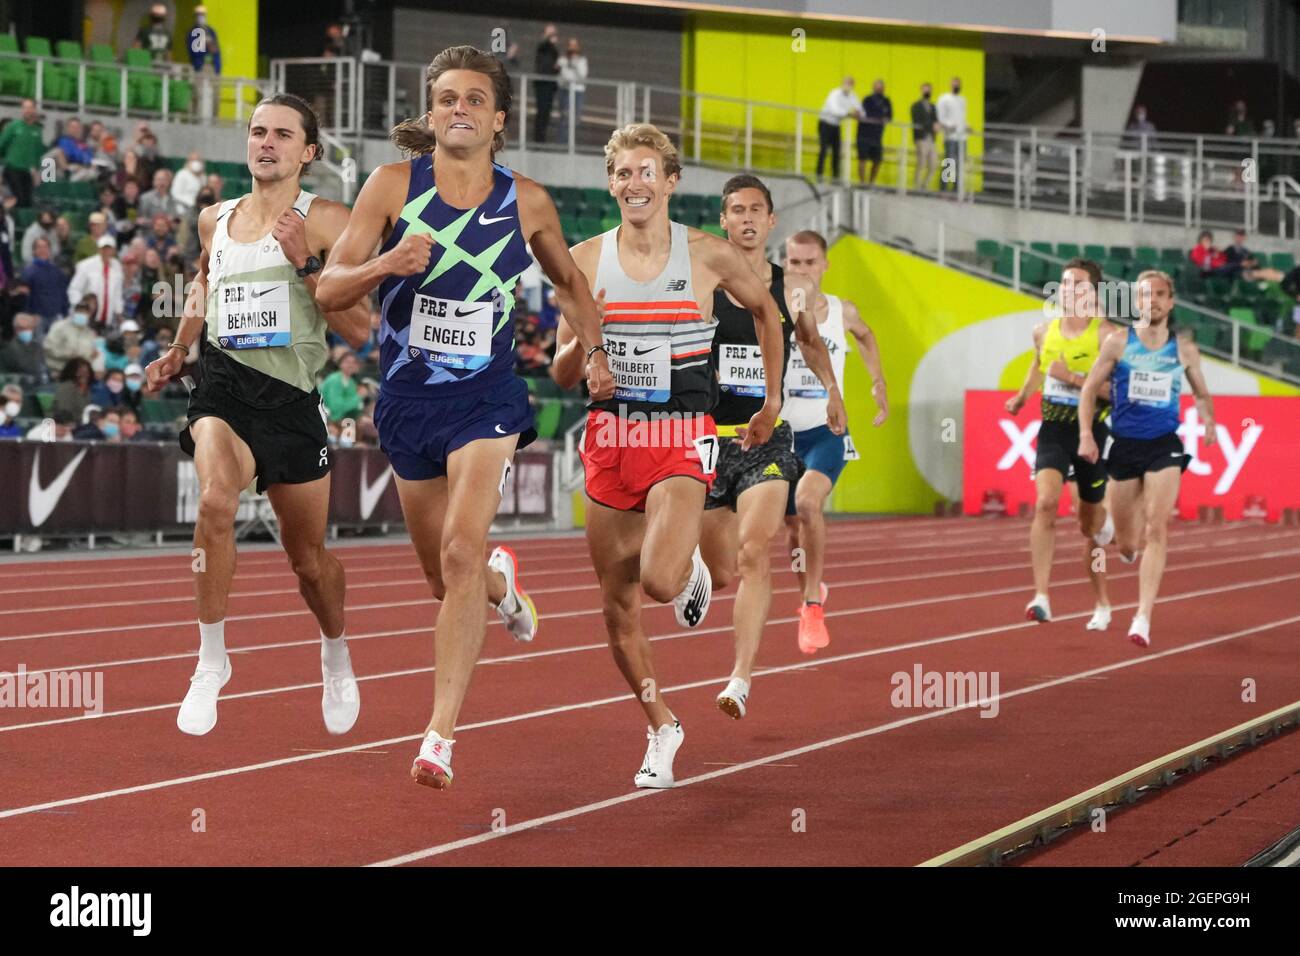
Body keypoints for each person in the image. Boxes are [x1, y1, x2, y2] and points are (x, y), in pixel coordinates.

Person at [315, 45, 614, 790]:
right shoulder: (390, 187)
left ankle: (440, 734)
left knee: (458, 551)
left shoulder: (528, 201)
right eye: (446, 97)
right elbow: (327, 289)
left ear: (498, 119)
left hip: (487, 399)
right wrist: (386, 265)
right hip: (409, 403)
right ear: (431, 110)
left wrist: (598, 353)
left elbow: (572, 282)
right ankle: (501, 587)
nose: (458, 109)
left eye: (473, 99)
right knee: (443, 574)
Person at [551, 123, 784, 787]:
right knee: (616, 605)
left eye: (646, 172)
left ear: (671, 182)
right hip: (611, 440)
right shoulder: (585, 260)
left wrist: (768, 401)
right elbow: (564, 372)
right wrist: (589, 350)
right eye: (623, 173)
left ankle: (687, 574)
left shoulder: (706, 255)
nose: (634, 184)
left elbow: (767, 313)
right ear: (611, 183)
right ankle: (662, 728)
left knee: (656, 578)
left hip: (681, 433)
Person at [143, 92, 370, 738]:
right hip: (222, 388)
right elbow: (203, 286)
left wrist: (305, 262)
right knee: (216, 501)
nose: (265, 143)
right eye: (257, 131)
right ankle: (211, 661)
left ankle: (335, 652)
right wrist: (180, 347)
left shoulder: (328, 219)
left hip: (292, 403)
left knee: (311, 565)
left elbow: (358, 327)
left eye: (281, 134)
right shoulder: (215, 219)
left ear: (309, 152)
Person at [699, 174, 843, 720]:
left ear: (771, 219)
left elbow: (808, 342)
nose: (747, 218)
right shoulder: (702, 281)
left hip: (768, 437)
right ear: (724, 220)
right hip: (708, 437)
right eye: (736, 210)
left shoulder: (793, 288)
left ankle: (739, 678)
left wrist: (833, 391)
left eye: (756, 209)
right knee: (719, 573)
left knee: (756, 550)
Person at [1078, 270, 1216, 647]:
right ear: (1136, 302)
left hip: (1164, 444)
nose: (1152, 300)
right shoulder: (1118, 343)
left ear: (1170, 302)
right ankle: (1120, 538)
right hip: (1124, 446)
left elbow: (1201, 393)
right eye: (1145, 295)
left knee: (1158, 527)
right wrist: (1087, 434)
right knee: (1127, 545)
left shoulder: (1184, 349)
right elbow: (1089, 389)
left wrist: (1209, 423)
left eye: (1159, 294)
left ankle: (1142, 617)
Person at [782, 229, 888, 653]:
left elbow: (865, 336)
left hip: (828, 431)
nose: (802, 270)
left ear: (825, 265)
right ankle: (812, 587)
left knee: (809, 503)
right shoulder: (773, 308)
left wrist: (877, 382)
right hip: (781, 435)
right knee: (791, 526)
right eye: (794, 263)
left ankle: (812, 606)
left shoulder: (841, 311)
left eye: (810, 262)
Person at [1006, 259, 1122, 629]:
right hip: (1054, 428)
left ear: (1093, 292)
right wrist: (1023, 397)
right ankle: (1041, 596)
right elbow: (1038, 366)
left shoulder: (1108, 336)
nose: (1070, 290)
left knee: (1089, 528)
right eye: (1066, 283)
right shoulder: (1043, 331)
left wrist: (1071, 378)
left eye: (1078, 284)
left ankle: (1102, 603)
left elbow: (1115, 393)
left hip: (1091, 434)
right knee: (1045, 503)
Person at [68, 235, 124, 330]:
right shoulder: (85, 265)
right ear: (98, 249)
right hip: (88, 318)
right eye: (103, 249)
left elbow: (117, 293)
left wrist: (119, 313)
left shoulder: (117, 266)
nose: (106, 252)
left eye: (109, 249)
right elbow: (74, 289)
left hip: (107, 319)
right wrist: (81, 308)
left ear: (113, 250)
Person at [0, 99, 44, 208]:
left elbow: (37, 152)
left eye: (30, 107)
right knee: (18, 199)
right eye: (25, 107)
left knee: (28, 202)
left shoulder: (37, 130)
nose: (27, 110)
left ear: (34, 109)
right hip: (13, 169)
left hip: (28, 172)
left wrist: (36, 171)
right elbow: (2, 144)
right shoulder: (14, 126)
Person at [816, 77, 861, 183]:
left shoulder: (852, 96)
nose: (848, 86)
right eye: (847, 83)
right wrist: (849, 113)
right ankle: (819, 175)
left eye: (850, 84)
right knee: (823, 150)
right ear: (843, 83)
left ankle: (835, 178)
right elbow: (834, 109)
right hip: (825, 123)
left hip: (836, 125)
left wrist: (857, 112)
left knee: (837, 152)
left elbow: (859, 109)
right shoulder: (835, 93)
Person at [19, 237, 69, 331]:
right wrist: (29, 316)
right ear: (34, 251)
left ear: (50, 250)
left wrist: (65, 314)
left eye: (45, 247)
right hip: (37, 318)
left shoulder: (57, 271)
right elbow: (24, 298)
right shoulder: (28, 271)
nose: (43, 250)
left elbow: (63, 294)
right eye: (39, 247)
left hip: (56, 317)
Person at [43, 299, 98, 376]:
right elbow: (47, 347)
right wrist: (69, 355)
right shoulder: (59, 326)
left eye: (85, 312)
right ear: (73, 312)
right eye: (79, 311)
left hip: (78, 374)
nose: (82, 314)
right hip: (57, 371)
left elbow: (89, 354)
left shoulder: (89, 333)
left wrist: (91, 355)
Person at [856, 79, 892, 186]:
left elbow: (889, 116)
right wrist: (879, 117)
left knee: (878, 160)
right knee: (862, 159)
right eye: (877, 87)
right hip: (864, 134)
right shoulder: (867, 99)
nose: (879, 89)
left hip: (877, 135)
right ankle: (862, 182)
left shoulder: (886, 101)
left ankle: (871, 182)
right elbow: (865, 113)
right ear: (873, 87)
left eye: (881, 87)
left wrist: (885, 119)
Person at [936, 77, 968, 193]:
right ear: (950, 85)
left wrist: (966, 126)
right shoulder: (944, 99)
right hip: (950, 136)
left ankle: (956, 188)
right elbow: (941, 117)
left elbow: (962, 117)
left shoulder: (962, 100)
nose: (956, 86)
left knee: (959, 163)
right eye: (954, 84)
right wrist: (949, 125)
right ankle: (943, 187)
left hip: (962, 136)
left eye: (958, 84)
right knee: (949, 162)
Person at [533, 24, 561, 143]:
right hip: (542, 83)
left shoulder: (552, 48)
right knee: (542, 110)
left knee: (546, 112)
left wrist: (557, 68)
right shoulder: (544, 45)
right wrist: (549, 37)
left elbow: (551, 63)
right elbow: (543, 45)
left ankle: (541, 137)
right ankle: (538, 138)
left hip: (550, 83)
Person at [319, 350, 364, 422]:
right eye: (347, 362)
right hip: (327, 418)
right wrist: (359, 396)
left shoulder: (351, 382)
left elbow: (352, 406)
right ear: (340, 364)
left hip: (343, 417)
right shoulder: (334, 379)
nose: (351, 365)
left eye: (354, 363)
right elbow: (335, 407)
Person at [0, 313, 46, 380]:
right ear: (16, 329)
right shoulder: (6, 351)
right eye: (23, 328)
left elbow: (43, 367)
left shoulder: (38, 347)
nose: (27, 330)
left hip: (40, 385)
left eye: (30, 327)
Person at [911, 83, 939, 190]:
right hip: (921, 138)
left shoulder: (933, 106)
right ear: (921, 91)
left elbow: (935, 119)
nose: (927, 92)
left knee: (933, 164)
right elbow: (918, 121)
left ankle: (925, 184)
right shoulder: (916, 106)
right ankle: (917, 185)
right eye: (925, 90)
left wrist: (937, 125)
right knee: (921, 163)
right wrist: (932, 125)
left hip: (931, 138)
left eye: (929, 90)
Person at [557, 38, 588, 133]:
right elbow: (560, 73)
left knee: (575, 118)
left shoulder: (582, 60)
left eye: (574, 46)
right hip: (564, 90)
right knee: (564, 116)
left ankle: (573, 141)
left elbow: (583, 76)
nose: (572, 48)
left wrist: (574, 64)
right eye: (570, 45)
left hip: (577, 91)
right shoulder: (563, 59)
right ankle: (562, 142)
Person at [52, 356, 94, 423]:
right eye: (80, 372)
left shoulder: (88, 390)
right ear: (72, 372)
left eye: (86, 372)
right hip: (64, 425)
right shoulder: (66, 388)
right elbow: (64, 412)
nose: (84, 375)